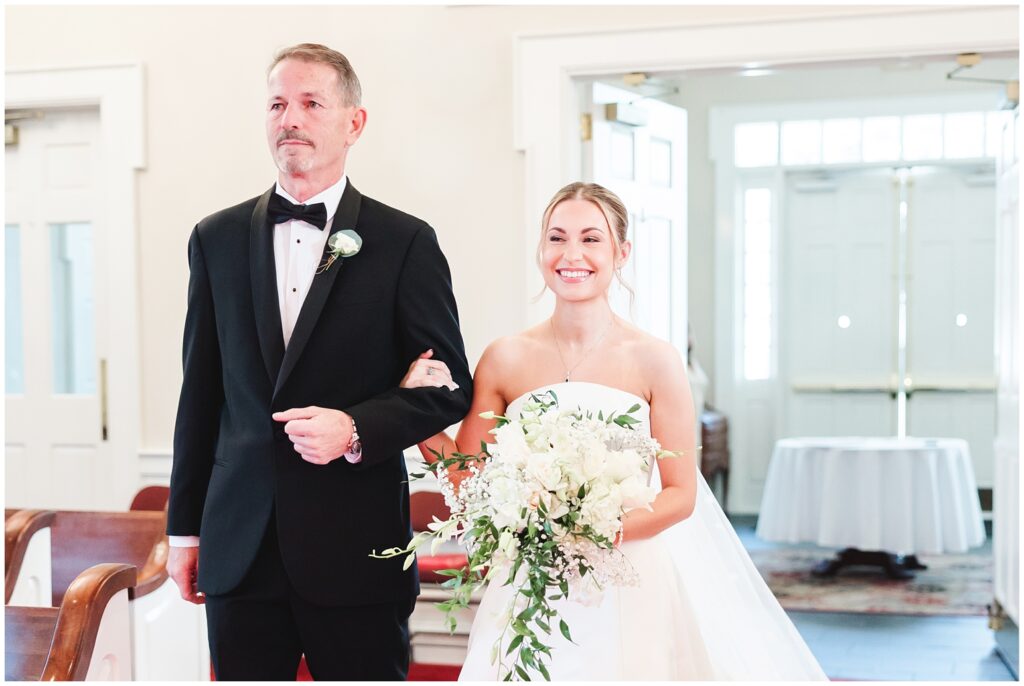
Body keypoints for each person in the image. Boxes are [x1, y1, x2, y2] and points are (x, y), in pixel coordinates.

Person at [401, 182, 827, 680]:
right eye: (557, 238)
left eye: (591, 239)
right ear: (542, 250)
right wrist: (415, 415)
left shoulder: (655, 361)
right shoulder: (505, 357)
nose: (572, 254)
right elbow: (467, 480)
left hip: (628, 578)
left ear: (621, 252)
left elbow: (680, 494)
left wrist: (586, 533)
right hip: (529, 583)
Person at [166, 43, 472, 680]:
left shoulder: (405, 242)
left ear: (353, 123)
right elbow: (200, 393)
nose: (290, 120)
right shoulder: (214, 238)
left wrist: (356, 429)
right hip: (239, 547)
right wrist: (183, 533)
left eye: (310, 103)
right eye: (277, 104)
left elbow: (448, 387)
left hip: (357, 547)